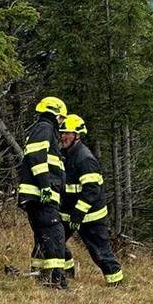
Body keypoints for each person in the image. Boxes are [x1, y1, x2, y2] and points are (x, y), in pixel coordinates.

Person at [58, 115, 123, 284]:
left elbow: (91, 190)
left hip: (90, 216)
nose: (63, 136)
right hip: (69, 214)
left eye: (68, 133)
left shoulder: (85, 158)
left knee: (100, 253)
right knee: (55, 242)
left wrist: (79, 213)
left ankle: (116, 282)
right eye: (62, 132)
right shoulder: (64, 154)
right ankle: (67, 274)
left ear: (77, 136)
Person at [17, 95, 71, 289]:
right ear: (55, 114)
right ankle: (56, 281)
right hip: (41, 196)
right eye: (62, 118)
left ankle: (42, 276)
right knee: (55, 234)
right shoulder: (45, 128)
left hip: (38, 195)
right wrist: (45, 186)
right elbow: (36, 158)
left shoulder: (43, 129)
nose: (62, 123)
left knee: (43, 236)